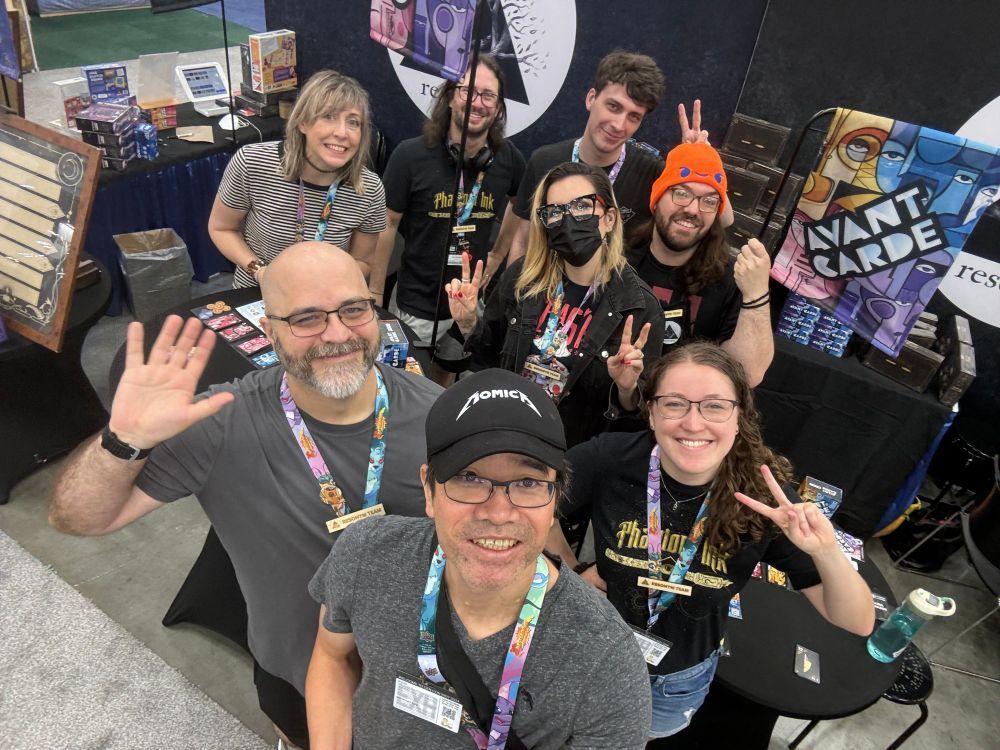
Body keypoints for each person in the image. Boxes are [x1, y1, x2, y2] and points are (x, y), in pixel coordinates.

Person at [48, 242, 442, 749]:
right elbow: (77, 518)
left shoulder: (437, 412)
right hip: (293, 678)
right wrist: (124, 439)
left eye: (353, 308)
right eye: (306, 318)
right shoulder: (220, 423)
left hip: (421, 680)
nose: (338, 333)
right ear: (270, 332)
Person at [305, 368, 652, 749]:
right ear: (428, 488)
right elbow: (332, 657)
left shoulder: (607, 665)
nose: (498, 513)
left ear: (556, 499)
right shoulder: (367, 554)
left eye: (528, 483)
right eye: (469, 477)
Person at [546, 342, 875, 740]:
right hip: (591, 653)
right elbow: (532, 510)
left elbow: (856, 621)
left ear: (739, 418)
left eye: (715, 405)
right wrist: (569, 568)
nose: (694, 423)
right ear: (650, 412)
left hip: (676, 682)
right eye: (674, 404)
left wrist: (826, 552)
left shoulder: (765, 498)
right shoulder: (609, 459)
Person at [446, 161, 664, 450]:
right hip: (508, 433)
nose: (568, 219)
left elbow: (638, 421)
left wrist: (626, 389)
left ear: (609, 218)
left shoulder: (639, 308)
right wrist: (469, 322)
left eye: (582, 207)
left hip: (574, 454)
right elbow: (489, 358)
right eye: (555, 211)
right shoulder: (523, 278)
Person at [369, 55, 525, 346]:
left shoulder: (509, 159)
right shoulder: (409, 156)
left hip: (468, 307)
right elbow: (386, 225)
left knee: (455, 380)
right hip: (416, 306)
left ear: (499, 107)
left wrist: (499, 254)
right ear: (451, 97)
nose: (478, 103)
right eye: (468, 91)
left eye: (489, 95)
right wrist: (376, 292)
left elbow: (520, 203)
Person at [208, 70, 387, 288]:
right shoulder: (252, 162)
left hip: (323, 302)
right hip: (256, 294)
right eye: (329, 116)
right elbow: (222, 228)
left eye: (353, 122)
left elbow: (363, 261)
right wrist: (260, 271)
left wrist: (321, 283)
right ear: (302, 123)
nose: (342, 133)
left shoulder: (369, 189)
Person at [497, 50, 666, 265]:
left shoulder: (651, 173)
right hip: (544, 295)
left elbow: (712, 225)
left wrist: (700, 160)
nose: (619, 125)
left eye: (634, 117)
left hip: (606, 297)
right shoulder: (544, 160)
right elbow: (522, 241)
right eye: (613, 107)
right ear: (591, 99)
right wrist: (515, 296)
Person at [628, 142, 774, 385]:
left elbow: (748, 375)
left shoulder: (731, 278)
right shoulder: (621, 258)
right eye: (682, 193)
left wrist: (757, 294)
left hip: (680, 410)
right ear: (658, 197)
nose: (693, 209)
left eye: (709, 201)